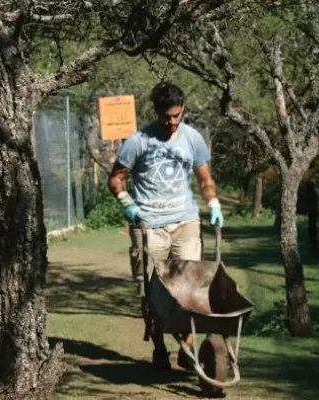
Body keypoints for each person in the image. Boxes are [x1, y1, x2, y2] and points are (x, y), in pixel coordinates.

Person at [107, 81, 223, 371]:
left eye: (176, 115)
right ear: (156, 112)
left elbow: (205, 180)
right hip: (149, 225)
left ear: (183, 109)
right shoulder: (138, 141)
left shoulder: (192, 138)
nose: (172, 122)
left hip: (185, 221)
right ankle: (160, 349)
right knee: (150, 292)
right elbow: (116, 179)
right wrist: (127, 203)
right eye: (165, 117)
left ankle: (187, 345)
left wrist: (214, 204)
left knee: (191, 287)